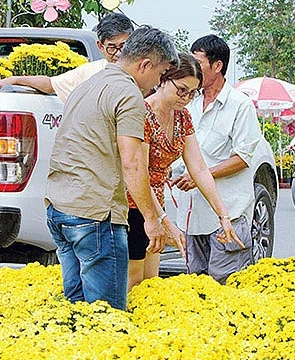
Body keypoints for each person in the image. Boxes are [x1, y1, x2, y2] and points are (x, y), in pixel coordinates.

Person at [45, 26, 179, 310]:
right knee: (106, 317)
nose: (157, 83)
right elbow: (133, 164)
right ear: (145, 64)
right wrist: (151, 221)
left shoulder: (89, 84)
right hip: (95, 215)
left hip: (60, 208)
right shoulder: (128, 94)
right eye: (160, 74)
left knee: (77, 313)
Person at [127, 53, 242, 291]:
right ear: (163, 80)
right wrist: (163, 220)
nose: (186, 98)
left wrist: (223, 215)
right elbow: (139, 173)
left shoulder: (182, 117)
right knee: (134, 282)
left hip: (154, 203)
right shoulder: (143, 113)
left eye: (192, 93)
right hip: (133, 202)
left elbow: (199, 168)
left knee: (151, 284)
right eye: (181, 90)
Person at [172, 34, 261, 285]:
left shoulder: (240, 105)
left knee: (227, 286)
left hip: (227, 215)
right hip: (190, 215)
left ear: (217, 66)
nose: (191, 68)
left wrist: (201, 176)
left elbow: (243, 158)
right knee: (196, 287)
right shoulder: (188, 102)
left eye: (197, 63)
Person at [0, 12, 134, 103]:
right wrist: (15, 80)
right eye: (112, 48)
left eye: (123, 46)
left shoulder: (145, 69)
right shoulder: (91, 72)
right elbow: (51, 84)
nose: (118, 53)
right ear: (100, 46)